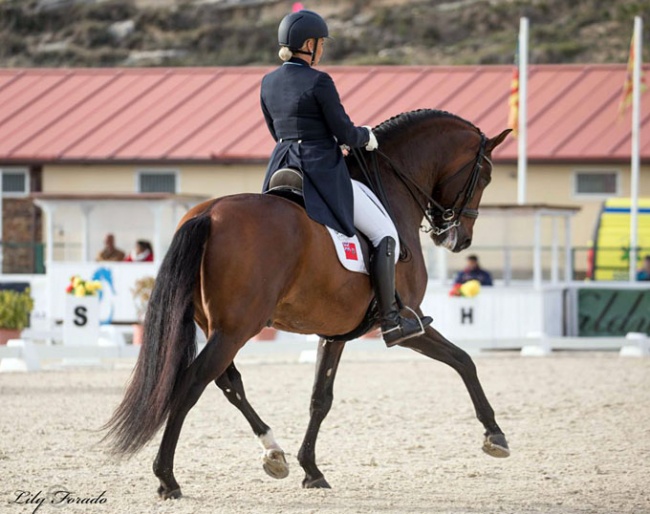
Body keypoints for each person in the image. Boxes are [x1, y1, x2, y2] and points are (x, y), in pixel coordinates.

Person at [260, 10, 431, 347]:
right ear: (308, 45)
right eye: (320, 43)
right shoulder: (319, 81)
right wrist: (364, 136)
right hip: (319, 169)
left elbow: (273, 130)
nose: (321, 49)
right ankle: (391, 318)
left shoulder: (268, 82)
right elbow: (342, 131)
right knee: (385, 234)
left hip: (280, 168)